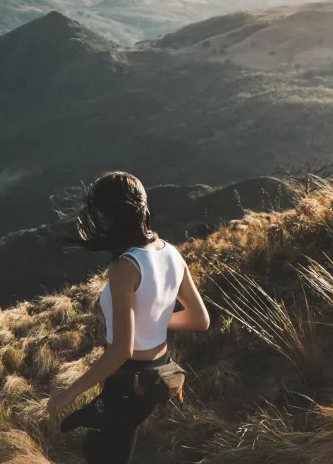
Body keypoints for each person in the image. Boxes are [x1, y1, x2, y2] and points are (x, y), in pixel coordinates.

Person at [46, 171, 211, 464]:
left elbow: (122, 350)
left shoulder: (125, 267)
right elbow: (200, 319)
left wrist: (70, 392)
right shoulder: (171, 252)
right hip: (158, 377)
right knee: (114, 448)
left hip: (127, 381)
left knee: (101, 454)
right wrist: (155, 319)